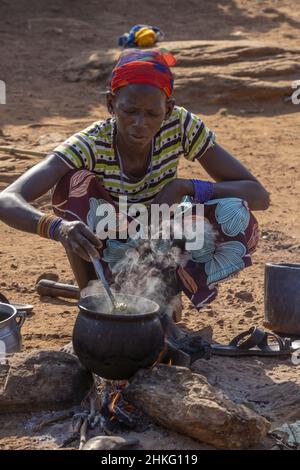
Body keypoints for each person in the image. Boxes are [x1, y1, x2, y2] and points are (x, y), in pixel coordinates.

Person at [0, 49, 269, 318]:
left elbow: (257, 195)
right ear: (111, 104)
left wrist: (184, 187)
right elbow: (7, 199)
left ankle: (166, 289)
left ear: (169, 110)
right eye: (129, 111)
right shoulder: (90, 143)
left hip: (163, 241)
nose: (140, 124)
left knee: (233, 211)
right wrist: (59, 228)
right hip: (110, 242)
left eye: (152, 114)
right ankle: (95, 300)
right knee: (74, 183)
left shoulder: (181, 125)